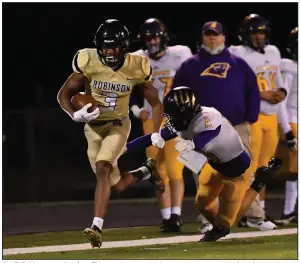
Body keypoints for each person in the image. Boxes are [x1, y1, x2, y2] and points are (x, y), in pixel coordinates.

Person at [57, 19, 164, 248]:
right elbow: (64, 95)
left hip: (118, 124)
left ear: (124, 46)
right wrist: (73, 115)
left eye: (115, 47)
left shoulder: (137, 65)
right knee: (113, 186)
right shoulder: (88, 60)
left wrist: (157, 132)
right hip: (93, 128)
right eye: (106, 47)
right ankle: (146, 171)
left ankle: (96, 227)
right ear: (98, 47)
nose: (110, 52)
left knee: (103, 167)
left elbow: (155, 102)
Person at [126, 87, 281, 242]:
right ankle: (219, 228)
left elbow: (210, 134)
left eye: (174, 113)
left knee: (231, 221)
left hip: (236, 170)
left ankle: (259, 182)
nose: (171, 118)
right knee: (202, 205)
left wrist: (193, 144)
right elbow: (153, 138)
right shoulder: (182, 120)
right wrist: (125, 148)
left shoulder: (208, 116)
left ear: (186, 112)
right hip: (214, 166)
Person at [170, 21, 277, 231]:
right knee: (203, 174)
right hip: (200, 130)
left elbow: (252, 90)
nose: (212, 38)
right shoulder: (189, 66)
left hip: (235, 126)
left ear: (223, 37)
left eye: (216, 35)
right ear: (202, 37)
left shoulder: (238, 63)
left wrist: (250, 118)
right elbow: (176, 95)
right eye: (208, 34)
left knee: (244, 172)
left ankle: (255, 216)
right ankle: (209, 220)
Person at [130, 18, 193, 232]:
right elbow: (123, 89)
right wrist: (136, 110)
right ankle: (166, 217)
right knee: (157, 171)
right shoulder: (137, 59)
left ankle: (176, 215)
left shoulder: (181, 54)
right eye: (148, 38)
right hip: (151, 121)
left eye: (155, 36)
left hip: (174, 119)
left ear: (164, 37)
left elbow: (193, 80)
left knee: (175, 170)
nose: (152, 41)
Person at [229, 14, 287, 230]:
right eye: (255, 32)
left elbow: (279, 81)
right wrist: (262, 95)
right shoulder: (238, 53)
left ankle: (258, 212)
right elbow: (236, 85)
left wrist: (280, 93)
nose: (259, 36)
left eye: (262, 32)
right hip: (252, 117)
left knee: (263, 169)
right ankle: (247, 213)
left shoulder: (273, 52)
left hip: (271, 119)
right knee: (249, 168)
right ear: (245, 34)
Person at [276, 27, 298, 225]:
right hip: (292, 120)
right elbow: (282, 100)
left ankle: (290, 211)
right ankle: (288, 211)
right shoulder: (289, 66)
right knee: (295, 170)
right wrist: (287, 128)